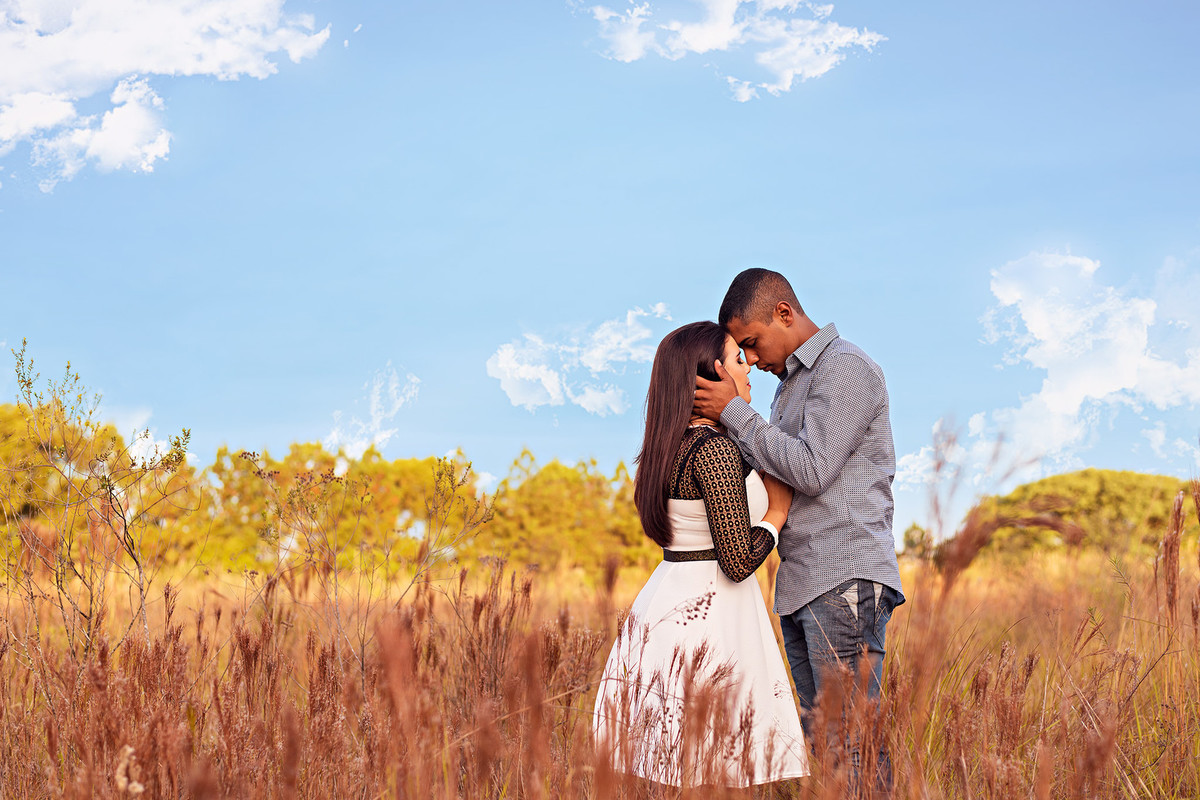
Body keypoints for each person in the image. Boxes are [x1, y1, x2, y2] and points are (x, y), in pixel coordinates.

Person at [693, 268, 905, 788]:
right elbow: (774, 472)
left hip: (843, 577)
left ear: (784, 313)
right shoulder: (789, 387)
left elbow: (812, 468)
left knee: (852, 747)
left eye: (752, 343)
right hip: (803, 585)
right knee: (827, 750)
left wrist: (736, 414)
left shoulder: (845, 368)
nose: (753, 359)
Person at [592, 321, 809, 789]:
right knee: (719, 758)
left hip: (667, 600)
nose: (748, 366)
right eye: (737, 359)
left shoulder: (669, 447)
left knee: (678, 760)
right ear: (712, 375)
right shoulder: (713, 451)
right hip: (713, 610)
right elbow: (735, 561)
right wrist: (775, 515)